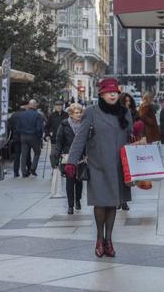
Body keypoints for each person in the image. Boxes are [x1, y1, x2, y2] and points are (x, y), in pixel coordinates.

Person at [66, 77, 132, 258]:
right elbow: (80, 137)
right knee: (100, 202)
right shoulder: (91, 112)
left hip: (119, 166)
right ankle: (98, 238)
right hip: (98, 165)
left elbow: (130, 137)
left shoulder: (125, 112)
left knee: (112, 203)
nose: (112, 94)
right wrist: (72, 160)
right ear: (101, 94)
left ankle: (108, 240)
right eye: (108, 92)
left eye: (115, 92)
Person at [55, 103, 84, 215]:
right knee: (70, 181)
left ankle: (78, 199)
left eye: (80, 112)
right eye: (77, 112)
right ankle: (70, 205)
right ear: (71, 114)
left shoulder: (84, 125)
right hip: (68, 157)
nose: (79, 115)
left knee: (79, 180)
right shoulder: (64, 125)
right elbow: (59, 142)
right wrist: (57, 157)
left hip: (81, 157)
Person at [16, 99, 44, 177]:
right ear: (35, 106)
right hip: (33, 136)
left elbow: (17, 127)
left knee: (24, 154)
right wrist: (39, 137)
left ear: (29, 105)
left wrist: (22, 132)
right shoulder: (37, 115)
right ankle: (32, 168)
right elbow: (39, 128)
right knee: (37, 152)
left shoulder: (22, 114)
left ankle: (24, 172)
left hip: (23, 136)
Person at [46, 100, 68, 169]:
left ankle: (62, 168)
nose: (58, 107)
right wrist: (47, 135)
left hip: (65, 138)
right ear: (55, 107)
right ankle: (54, 166)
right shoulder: (51, 115)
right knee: (53, 154)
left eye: (60, 106)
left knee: (63, 154)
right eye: (57, 106)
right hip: (54, 138)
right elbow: (47, 127)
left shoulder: (66, 115)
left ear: (62, 106)